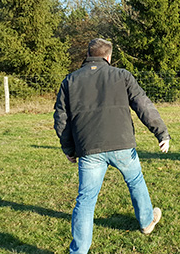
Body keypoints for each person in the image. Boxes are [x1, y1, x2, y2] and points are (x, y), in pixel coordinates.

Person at [54, 38, 170, 254]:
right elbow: (143, 104)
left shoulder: (70, 81)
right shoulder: (122, 75)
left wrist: (68, 149)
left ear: (88, 55)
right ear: (108, 57)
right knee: (135, 181)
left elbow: (61, 119)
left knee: (86, 199)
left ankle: (78, 251)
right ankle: (146, 222)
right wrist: (161, 132)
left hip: (88, 149)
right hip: (122, 144)